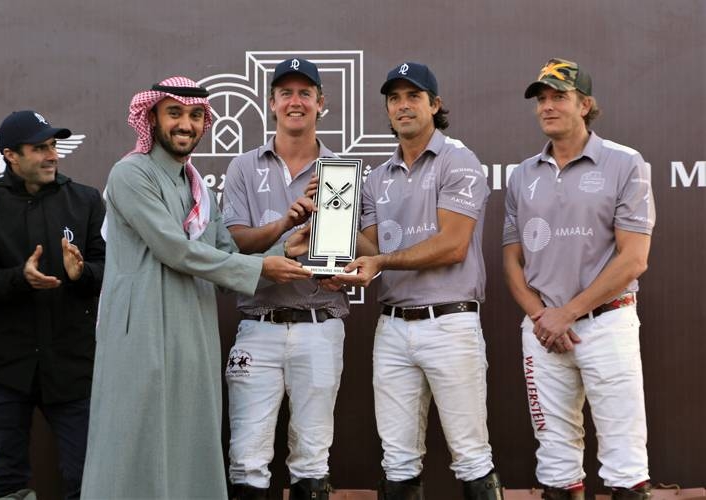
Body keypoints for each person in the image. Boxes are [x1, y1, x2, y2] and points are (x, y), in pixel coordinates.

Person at [81, 76, 312, 500]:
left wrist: (286, 247)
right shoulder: (130, 174)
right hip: (143, 331)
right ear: (151, 117)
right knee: (135, 439)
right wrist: (264, 266)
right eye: (175, 114)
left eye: (194, 116)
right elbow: (175, 250)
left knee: (188, 437)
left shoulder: (197, 187)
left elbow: (223, 249)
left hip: (192, 330)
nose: (185, 124)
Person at [335, 62, 502, 500]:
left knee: (471, 457)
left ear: (435, 104)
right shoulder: (373, 179)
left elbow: (452, 246)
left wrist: (382, 260)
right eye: (394, 98)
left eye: (413, 96)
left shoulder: (459, 160)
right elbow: (369, 252)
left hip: (450, 322)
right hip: (391, 327)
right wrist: (321, 234)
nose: (403, 106)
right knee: (397, 460)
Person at [502, 58, 655, 500]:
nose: (547, 107)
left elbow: (634, 260)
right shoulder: (522, 174)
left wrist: (567, 313)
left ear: (585, 104)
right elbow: (512, 260)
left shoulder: (625, 162)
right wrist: (542, 317)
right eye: (541, 99)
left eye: (559, 97)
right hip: (543, 331)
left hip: (607, 325)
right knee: (554, 463)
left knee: (625, 461)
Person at [222, 58, 347, 500]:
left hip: (320, 323)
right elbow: (234, 244)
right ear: (271, 103)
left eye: (305, 93)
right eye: (286, 93)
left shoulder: (340, 172)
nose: (296, 102)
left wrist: (342, 272)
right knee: (247, 458)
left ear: (320, 103)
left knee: (313, 459)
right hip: (259, 325)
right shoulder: (242, 166)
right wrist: (287, 223)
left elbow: (355, 250)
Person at [0, 110, 105, 500]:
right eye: (39, 148)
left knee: (86, 479)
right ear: (11, 156)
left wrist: (83, 275)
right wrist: (19, 279)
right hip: (7, 370)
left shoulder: (86, 200)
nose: (52, 155)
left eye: (53, 146)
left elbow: (108, 268)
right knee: (7, 481)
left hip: (74, 368)